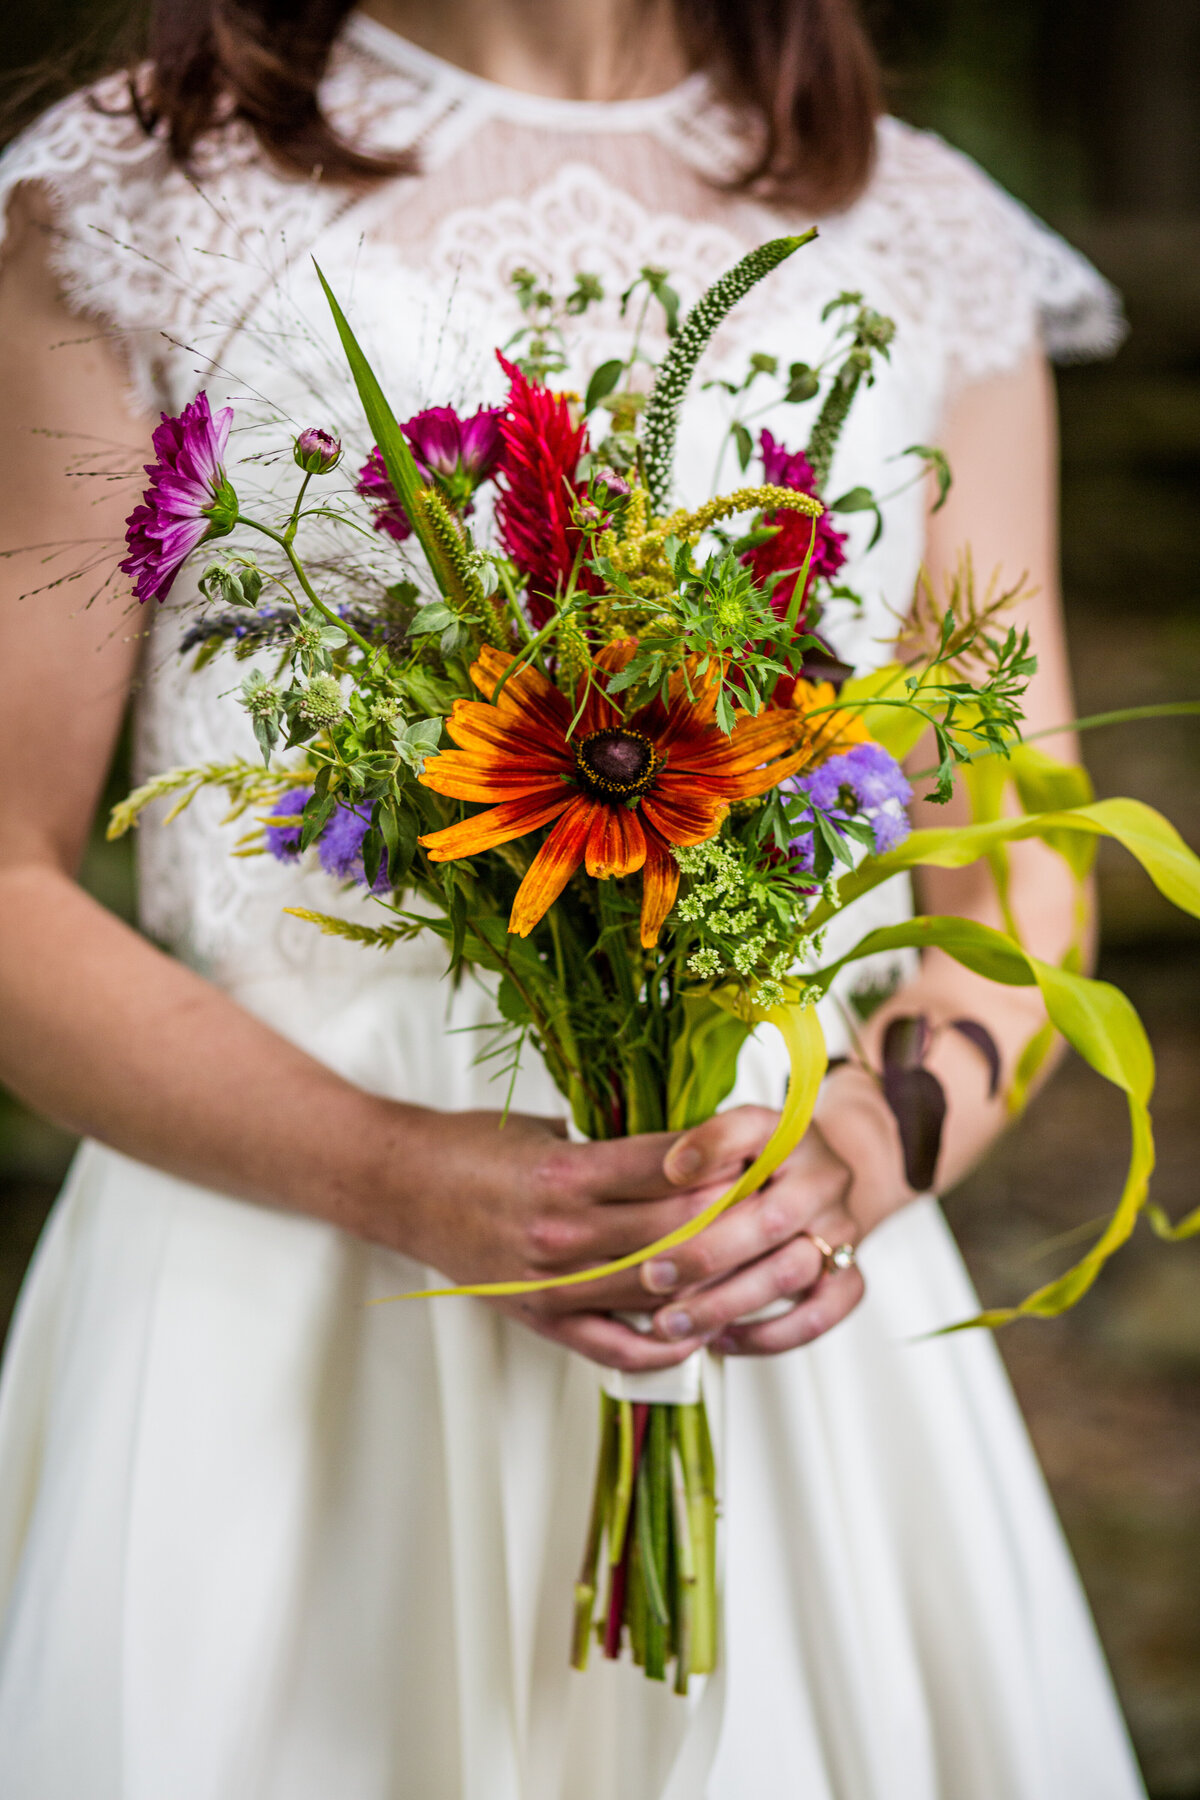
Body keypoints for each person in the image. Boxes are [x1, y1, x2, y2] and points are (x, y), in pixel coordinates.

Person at [0, 1, 1147, 1794]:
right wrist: (388, 1169)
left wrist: (864, 1151)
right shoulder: (139, 191)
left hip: (764, 1270)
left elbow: (1024, 847)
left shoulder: (921, 229)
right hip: (279, 1294)